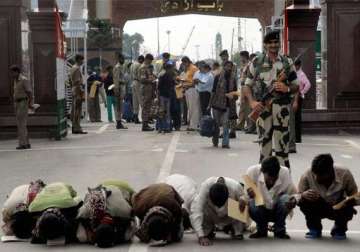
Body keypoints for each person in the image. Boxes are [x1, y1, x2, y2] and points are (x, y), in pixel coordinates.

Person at [244, 30, 299, 168]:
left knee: (282, 151)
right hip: (263, 110)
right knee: (265, 150)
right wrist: (252, 102)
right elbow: (246, 86)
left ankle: (284, 181)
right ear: (265, 45)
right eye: (270, 43)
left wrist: (286, 88)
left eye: (276, 42)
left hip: (282, 111)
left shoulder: (287, 62)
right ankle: (264, 181)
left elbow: (296, 86)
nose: (274, 45)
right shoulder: (257, 62)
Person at [298, 154, 360, 240]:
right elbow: (297, 196)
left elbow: (354, 194)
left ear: (330, 172)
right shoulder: (307, 174)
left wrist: (350, 201)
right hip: (317, 206)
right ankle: (314, 228)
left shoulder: (345, 173)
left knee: (349, 204)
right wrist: (303, 195)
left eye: (320, 175)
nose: (316, 178)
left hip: (338, 207)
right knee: (304, 201)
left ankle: (339, 229)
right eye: (315, 174)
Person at [246, 156, 297, 239]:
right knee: (252, 202)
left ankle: (280, 230)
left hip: (277, 210)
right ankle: (261, 230)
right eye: (269, 178)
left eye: (274, 178)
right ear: (262, 171)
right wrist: (248, 196)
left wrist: (293, 200)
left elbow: (294, 194)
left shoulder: (285, 172)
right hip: (260, 209)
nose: (271, 181)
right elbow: (244, 196)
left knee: (286, 198)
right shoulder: (252, 172)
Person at [76, 181, 136, 248]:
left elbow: (132, 217)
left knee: (127, 234)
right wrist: (88, 230)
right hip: (105, 185)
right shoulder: (87, 210)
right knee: (82, 236)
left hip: (121, 187)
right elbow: (79, 217)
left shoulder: (123, 211)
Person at [190, 177, 247, 246]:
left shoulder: (236, 186)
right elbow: (196, 210)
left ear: (228, 194)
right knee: (197, 204)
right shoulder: (205, 187)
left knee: (241, 204)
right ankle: (208, 229)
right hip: (211, 212)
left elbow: (244, 196)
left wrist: (243, 199)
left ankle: (235, 229)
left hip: (229, 213)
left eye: (220, 205)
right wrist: (201, 236)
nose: (219, 208)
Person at [209, 61, 238, 149]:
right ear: (223, 67)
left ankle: (225, 143)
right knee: (216, 124)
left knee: (226, 124)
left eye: (230, 67)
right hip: (216, 103)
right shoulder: (217, 77)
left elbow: (235, 91)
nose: (229, 68)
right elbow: (213, 91)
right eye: (227, 66)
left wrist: (233, 96)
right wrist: (209, 104)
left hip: (227, 105)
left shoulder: (233, 78)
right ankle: (215, 140)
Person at [10, 65, 33, 149]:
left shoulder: (23, 80)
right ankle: (26, 143)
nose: (12, 74)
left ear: (17, 72)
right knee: (22, 124)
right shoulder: (16, 81)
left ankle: (22, 144)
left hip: (23, 102)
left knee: (21, 124)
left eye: (13, 72)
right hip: (17, 103)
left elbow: (29, 92)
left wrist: (30, 103)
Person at [219, 50, 238, 139]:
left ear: (227, 55)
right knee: (225, 113)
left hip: (231, 91)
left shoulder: (233, 65)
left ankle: (233, 131)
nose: (223, 57)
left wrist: (235, 93)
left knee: (232, 112)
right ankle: (227, 131)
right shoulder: (221, 66)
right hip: (223, 93)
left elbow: (234, 79)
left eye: (225, 56)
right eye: (222, 56)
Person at [237, 51, 256, 134]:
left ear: (245, 57)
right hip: (243, 87)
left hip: (248, 87)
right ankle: (241, 124)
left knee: (248, 108)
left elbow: (250, 77)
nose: (241, 59)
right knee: (242, 106)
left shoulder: (249, 64)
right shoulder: (244, 65)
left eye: (241, 57)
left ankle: (249, 125)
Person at [179, 56, 200, 131]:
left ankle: (193, 125)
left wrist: (187, 85)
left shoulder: (194, 68)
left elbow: (196, 81)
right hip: (188, 90)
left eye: (184, 63)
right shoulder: (188, 69)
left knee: (194, 108)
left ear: (187, 62)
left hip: (193, 90)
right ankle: (191, 124)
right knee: (190, 108)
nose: (184, 65)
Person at [294, 59, 311, 143]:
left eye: (295, 65)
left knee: (297, 117)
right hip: (294, 97)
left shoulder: (301, 74)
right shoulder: (294, 73)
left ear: (299, 66)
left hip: (299, 97)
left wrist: (302, 92)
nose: (294, 67)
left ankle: (298, 138)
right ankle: (294, 136)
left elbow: (308, 84)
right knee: (294, 117)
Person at [70, 54, 87, 134]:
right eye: (82, 60)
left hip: (75, 90)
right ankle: (76, 127)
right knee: (77, 110)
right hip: (77, 90)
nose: (82, 61)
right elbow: (77, 81)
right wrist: (81, 90)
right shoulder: (76, 68)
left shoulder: (73, 68)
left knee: (76, 109)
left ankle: (75, 126)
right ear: (78, 60)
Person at [157, 61, 176, 133]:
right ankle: (163, 127)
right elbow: (158, 87)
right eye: (171, 68)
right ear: (168, 69)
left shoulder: (169, 76)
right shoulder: (163, 76)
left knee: (165, 112)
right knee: (164, 112)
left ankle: (164, 127)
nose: (172, 70)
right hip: (164, 96)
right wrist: (158, 97)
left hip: (166, 96)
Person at [139, 54, 157, 131]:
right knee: (145, 106)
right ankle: (144, 125)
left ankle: (146, 123)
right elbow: (142, 80)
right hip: (146, 88)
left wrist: (154, 78)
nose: (150, 62)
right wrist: (151, 80)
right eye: (150, 60)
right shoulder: (143, 67)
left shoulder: (148, 67)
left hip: (149, 88)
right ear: (146, 59)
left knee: (148, 106)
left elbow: (151, 76)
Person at [113, 53, 128, 129]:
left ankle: (119, 122)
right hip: (119, 88)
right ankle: (118, 123)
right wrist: (117, 89)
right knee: (118, 107)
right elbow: (116, 79)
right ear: (119, 59)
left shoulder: (121, 67)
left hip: (122, 88)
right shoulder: (117, 67)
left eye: (124, 59)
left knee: (120, 106)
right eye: (122, 59)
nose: (123, 60)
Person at [130, 55, 145, 124]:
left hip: (133, 82)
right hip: (138, 83)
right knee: (141, 100)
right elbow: (141, 76)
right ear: (141, 60)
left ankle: (135, 117)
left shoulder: (132, 65)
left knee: (135, 101)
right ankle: (144, 118)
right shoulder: (140, 66)